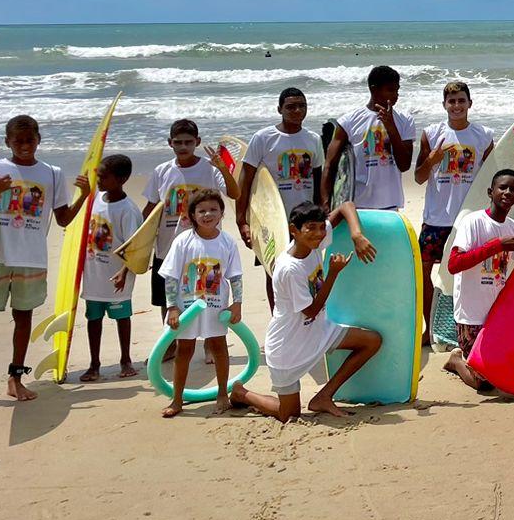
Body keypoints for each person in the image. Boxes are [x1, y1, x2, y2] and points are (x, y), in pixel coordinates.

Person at [0, 115, 91, 411]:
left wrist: (84, 197)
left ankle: (15, 379)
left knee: (24, 317)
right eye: (18, 141)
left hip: (31, 258)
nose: (24, 145)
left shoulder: (52, 174)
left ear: (39, 139)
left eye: (29, 140)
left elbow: (63, 219)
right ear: (7, 142)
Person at [232, 200, 383, 421]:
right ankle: (242, 393)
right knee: (288, 414)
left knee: (372, 341)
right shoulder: (289, 269)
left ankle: (324, 396)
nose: (319, 234)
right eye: (311, 228)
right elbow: (310, 311)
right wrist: (333, 274)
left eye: (322, 227)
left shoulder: (313, 243)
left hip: (318, 331)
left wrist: (356, 235)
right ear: (294, 230)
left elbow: (346, 207)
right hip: (288, 345)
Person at [414, 81, 494, 342]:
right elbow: (418, 177)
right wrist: (431, 161)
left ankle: (471, 329)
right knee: (422, 273)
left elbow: (492, 177)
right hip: (436, 219)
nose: (456, 106)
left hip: (469, 219)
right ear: (444, 105)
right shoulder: (431, 134)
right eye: (452, 101)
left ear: (470, 103)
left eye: (461, 100)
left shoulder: (484, 136)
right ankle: (429, 329)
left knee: (472, 275)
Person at [145, 119, 238, 338]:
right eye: (178, 142)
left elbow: (235, 193)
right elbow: (150, 210)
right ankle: (170, 343)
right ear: (170, 143)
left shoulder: (210, 168)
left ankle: (209, 340)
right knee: (167, 298)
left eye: (188, 142)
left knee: (206, 294)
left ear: (197, 141)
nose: (183, 146)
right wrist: (139, 244)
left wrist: (223, 169)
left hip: (205, 247)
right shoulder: (161, 171)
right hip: (167, 246)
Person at [158, 189, 244, 417]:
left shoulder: (227, 241)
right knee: (184, 350)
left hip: (216, 307)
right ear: (192, 215)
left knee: (219, 347)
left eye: (213, 209)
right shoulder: (183, 241)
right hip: (186, 308)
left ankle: (222, 394)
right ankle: (177, 399)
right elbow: (171, 276)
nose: (208, 214)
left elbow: (235, 275)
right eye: (202, 210)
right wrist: (172, 307)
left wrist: (237, 303)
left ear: (221, 213)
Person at [442, 170, 514, 392]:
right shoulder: (473, 222)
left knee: (506, 371)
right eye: (502, 187)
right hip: (471, 314)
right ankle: (456, 360)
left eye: (513, 189)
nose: (507, 192)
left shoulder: (512, 227)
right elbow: (454, 264)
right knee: (483, 383)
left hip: (497, 314)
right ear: (491, 192)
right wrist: (496, 246)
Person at [238, 87, 324, 310]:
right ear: (280, 109)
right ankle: (278, 316)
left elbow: (318, 181)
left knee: (306, 266)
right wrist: (242, 221)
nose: (297, 110)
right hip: (272, 219)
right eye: (291, 107)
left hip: (305, 219)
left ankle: (306, 315)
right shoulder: (263, 138)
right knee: (274, 270)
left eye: (302, 106)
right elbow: (246, 180)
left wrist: (321, 215)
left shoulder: (313, 139)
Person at [80, 154, 142, 382]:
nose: (99, 180)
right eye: (99, 175)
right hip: (93, 275)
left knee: (121, 318)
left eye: (104, 177)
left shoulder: (128, 210)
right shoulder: (95, 199)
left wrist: (124, 272)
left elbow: (135, 247)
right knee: (93, 319)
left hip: (117, 277)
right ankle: (94, 364)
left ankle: (126, 360)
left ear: (122, 179)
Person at [323, 65, 415, 211]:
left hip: (390, 203)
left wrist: (391, 128)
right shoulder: (349, 122)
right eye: (390, 90)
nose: (395, 95)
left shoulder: (405, 120)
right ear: (374, 90)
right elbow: (330, 164)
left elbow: (404, 165)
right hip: (358, 204)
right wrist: (325, 203)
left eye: (397, 90)